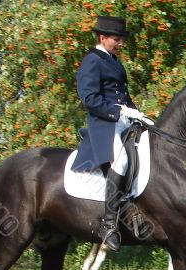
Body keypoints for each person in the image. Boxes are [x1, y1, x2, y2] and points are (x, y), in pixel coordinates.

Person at [71, 15, 147, 252]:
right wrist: (117, 111)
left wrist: (138, 114)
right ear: (103, 38)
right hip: (104, 124)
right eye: (117, 39)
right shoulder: (92, 61)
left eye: (122, 39)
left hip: (123, 120)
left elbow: (123, 97)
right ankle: (108, 225)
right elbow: (89, 98)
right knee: (121, 160)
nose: (121, 44)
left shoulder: (113, 60)